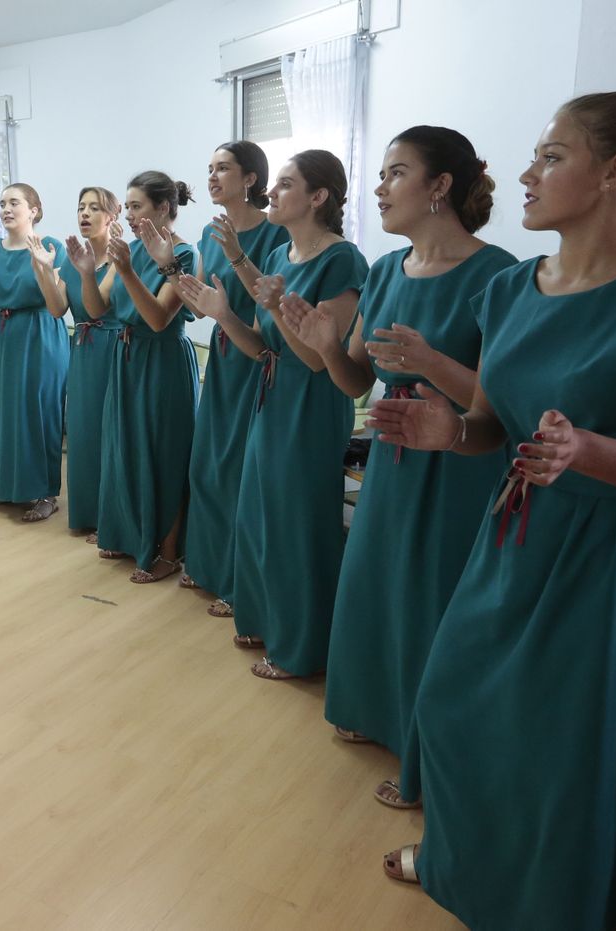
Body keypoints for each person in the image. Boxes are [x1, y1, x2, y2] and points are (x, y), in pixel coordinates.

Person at [368, 93, 616, 931]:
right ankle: (464, 862)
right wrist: (449, 429)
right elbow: (493, 427)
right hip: (513, 534)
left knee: (563, 742)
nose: (528, 174)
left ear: (614, 173)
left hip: (608, 550)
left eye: (551, 157)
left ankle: (553, 904)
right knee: (459, 704)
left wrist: (588, 451)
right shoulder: (508, 290)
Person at [315, 128, 516, 811]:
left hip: (457, 457)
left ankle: (431, 755)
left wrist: (430, 361)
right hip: (393, 455)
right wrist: (320, 345)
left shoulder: (500, 275)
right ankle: (375, 711)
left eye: (395, 172)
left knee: (434, 598)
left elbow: (503, 402)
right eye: (380, 172)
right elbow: (354, 380)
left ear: (439, 187)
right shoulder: (384, 269)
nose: (379, 187)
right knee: (378, 582)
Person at [180, 150, 368, 679]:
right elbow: (262, 347)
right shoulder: (285, 258)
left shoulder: (342, 260)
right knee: (261, 515)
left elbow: (315, 357)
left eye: (286, 184)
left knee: (297, 524)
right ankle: (267, 621)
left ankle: (302, 649)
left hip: (310, 403)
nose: (274, 193)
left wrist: (275, 303)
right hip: (272, 394)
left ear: (318, 197)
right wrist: (222, 314)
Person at [179, 141, 289, 616]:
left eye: (223, 168)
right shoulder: (209, 233)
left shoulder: (274, 233)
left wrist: (239, 257)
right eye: (209, 168)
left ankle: (235, 579)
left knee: (241, 471)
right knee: (209, 465)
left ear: (250, 179)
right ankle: (205, 565)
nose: (212, 176)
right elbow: (203, 300)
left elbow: (270, 299)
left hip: (258, 360)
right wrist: (165, 262)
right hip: (222, 356)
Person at [93, 171, 198, 583]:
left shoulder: (186, 254)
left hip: (163, 359)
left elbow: (157, 318)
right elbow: (99, 307)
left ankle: (170, 551)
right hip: (127, 357)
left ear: (165, 208)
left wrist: (128, 271)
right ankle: (133, 534)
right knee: (127, 447)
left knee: (164, 453)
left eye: (137, 206)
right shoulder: (128, 250)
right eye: (129, 206)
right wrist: (89, 271)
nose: (130, 214)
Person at [0, 183, 70, 521]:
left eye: (15, 203)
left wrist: (42, 267)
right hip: (0, 336)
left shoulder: (49, 245)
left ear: (34, 210)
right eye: (3, 203)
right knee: (0, 412)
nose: (7, 209)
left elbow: (58, 304)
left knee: (38, 414)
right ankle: (2, 484)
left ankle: (44, 492)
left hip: (39, 335)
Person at [60, 187, 123, 537]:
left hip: (112, 347)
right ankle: (85, 512)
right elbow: (57, 308)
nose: (84, 214)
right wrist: (43, 268)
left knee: (108, 432)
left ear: (111, 217)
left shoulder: (118, 259)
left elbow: (99, 305)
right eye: (81, 207)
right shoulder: (75, 259)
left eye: (94, 208)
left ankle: (110, 516)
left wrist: (88, 271)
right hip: (82, 349)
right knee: (82, 431)